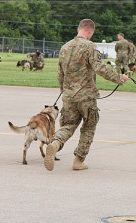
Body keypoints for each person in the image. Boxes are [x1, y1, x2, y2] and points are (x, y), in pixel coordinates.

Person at [44, 19, 129, 171]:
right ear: (90, 31)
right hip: (86, 96)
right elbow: (99, 67)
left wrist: (63, 90)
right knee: (89, 126)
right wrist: (119, 78)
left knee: (68, 126)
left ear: (79, 29)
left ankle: (55, 144)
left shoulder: (65, 47)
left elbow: (60, 73)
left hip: (68, 95)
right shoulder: (90, 46)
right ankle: (78, 161)